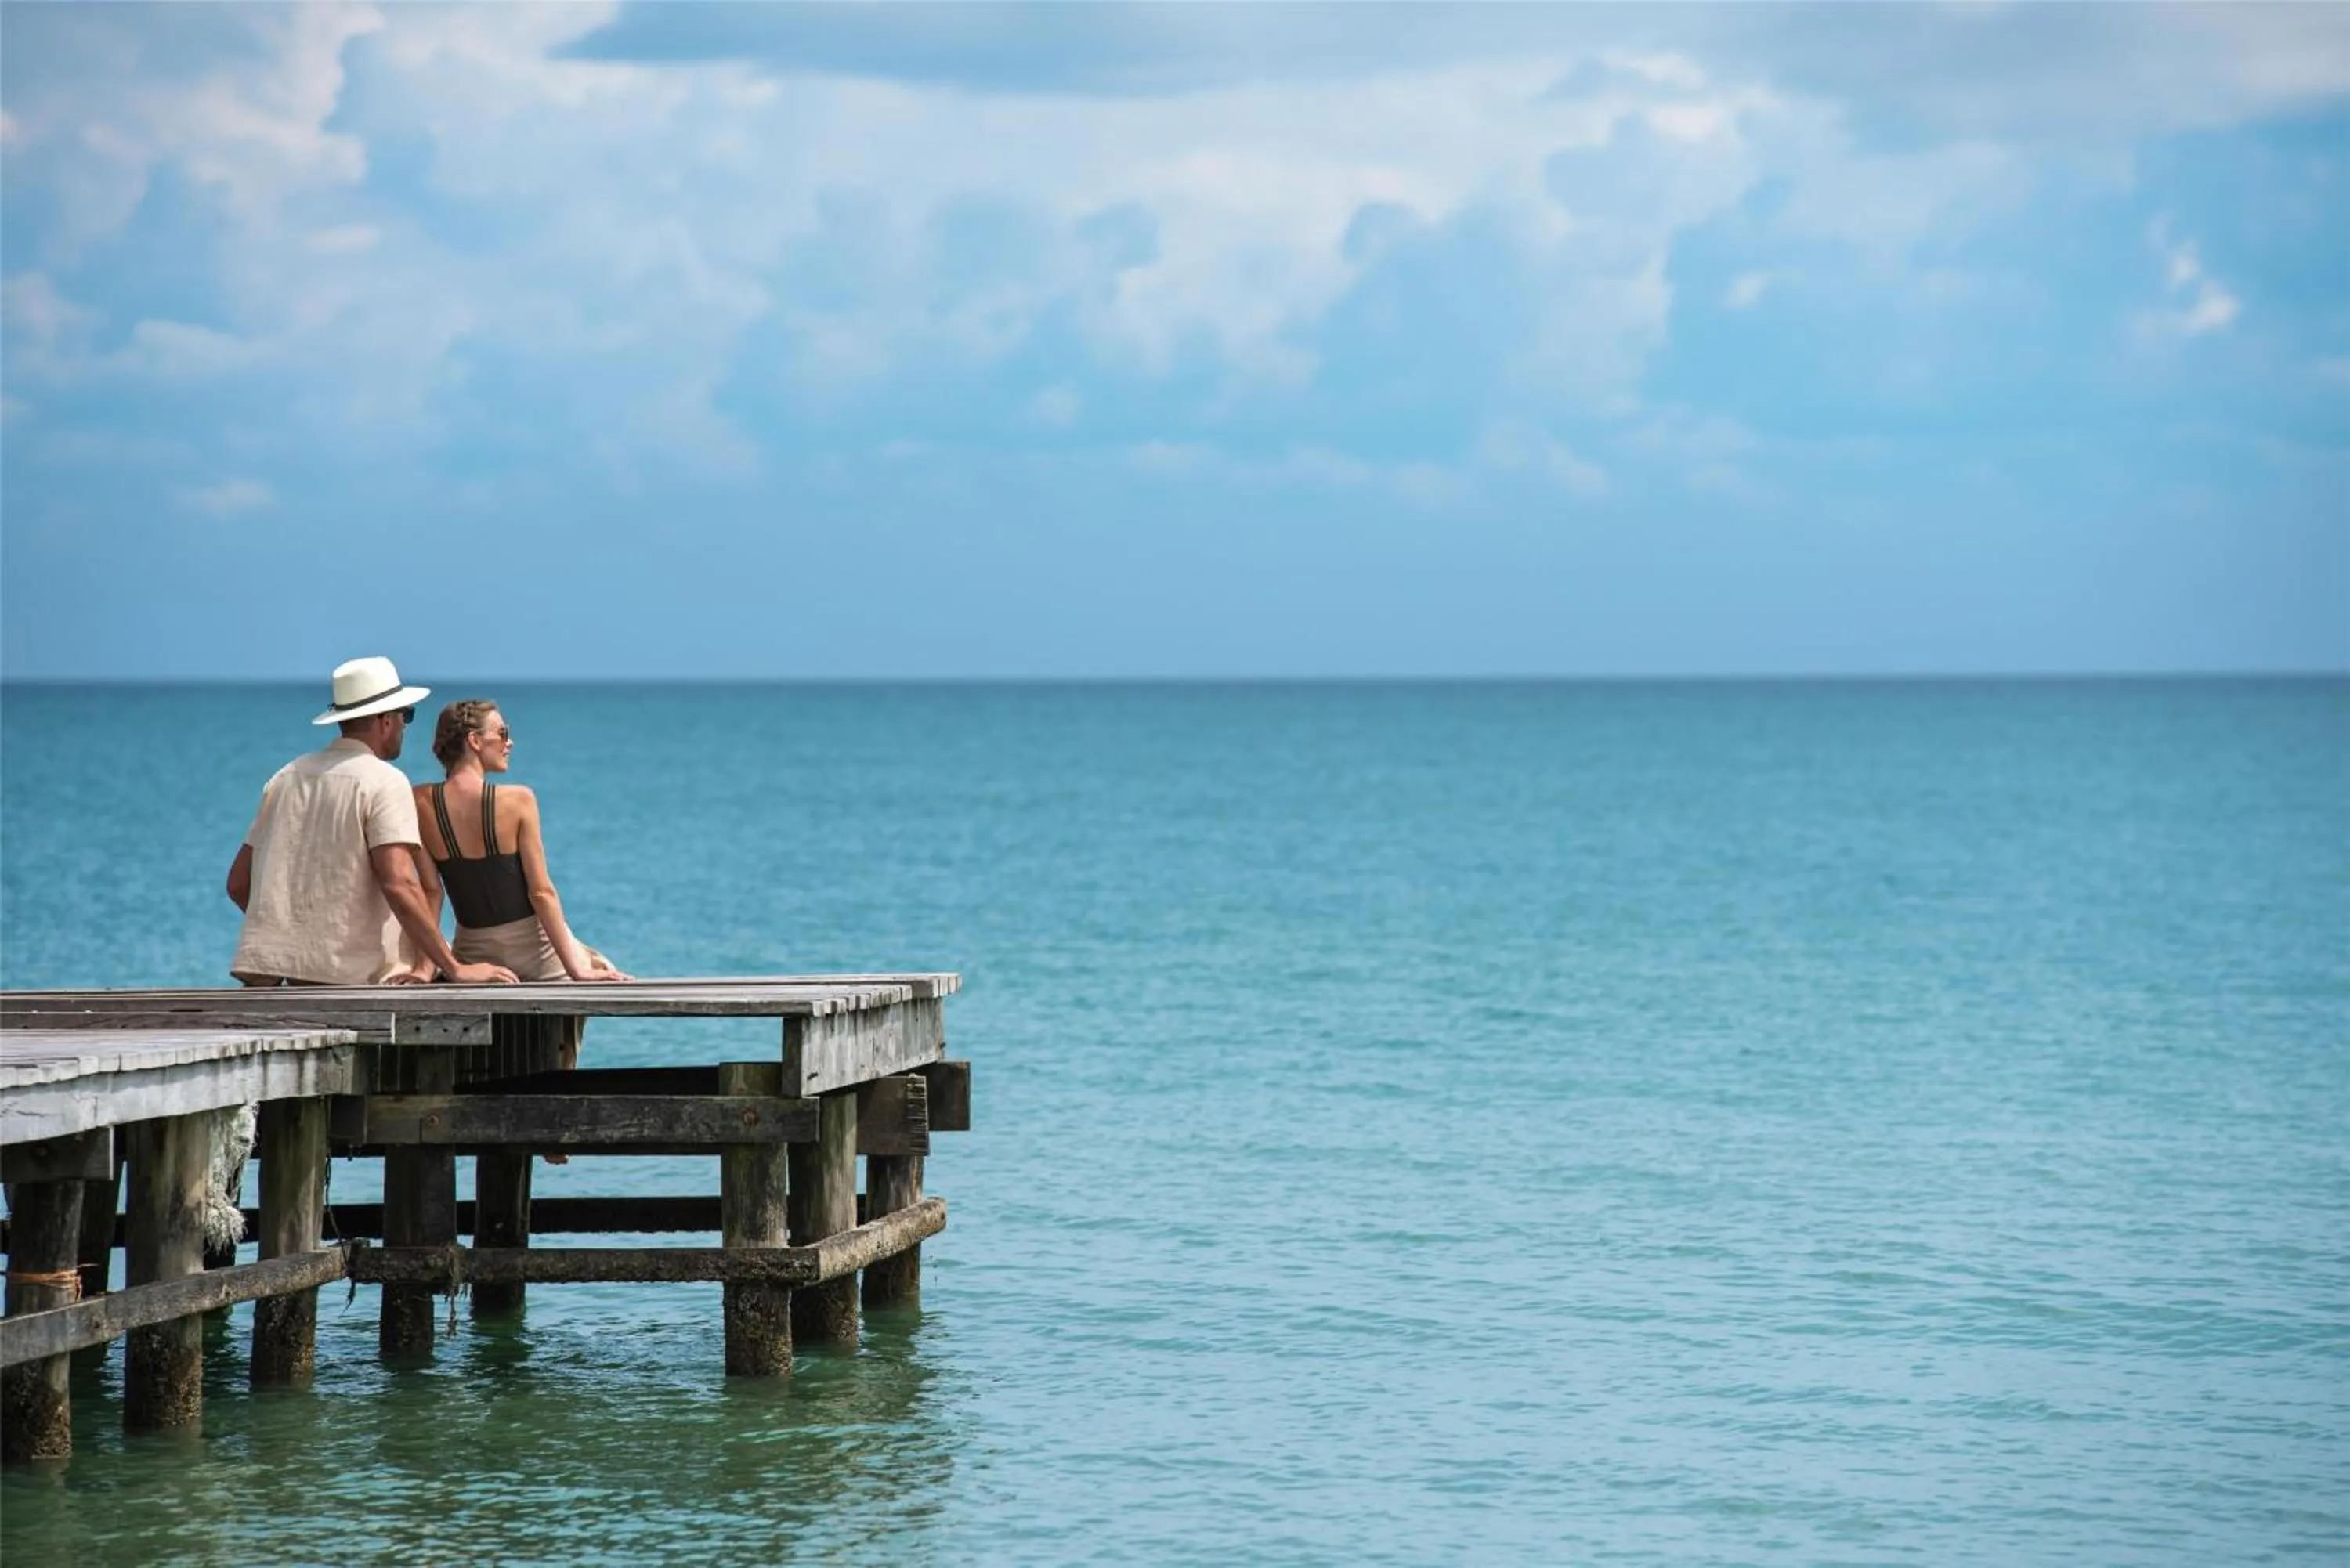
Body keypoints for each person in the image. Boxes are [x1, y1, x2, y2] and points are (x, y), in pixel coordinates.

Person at [228, 656, 515, 987]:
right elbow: (400, 884)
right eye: (405, 715)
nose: (406, 726)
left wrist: (297, 939)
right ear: (385, 720)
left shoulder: (286, 776)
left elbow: (238, 883)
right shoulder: (384, 781)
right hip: (361, 980)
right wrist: (455, 967)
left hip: (290, 977)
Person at [412, 698, 631, 983]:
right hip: (538, 959)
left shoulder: (419, 801)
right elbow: (541, 892)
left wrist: (423, 969)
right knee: (600, 964)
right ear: (475, 740)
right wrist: (577, 971)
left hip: (473, 956)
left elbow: (431, 893)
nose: (510, 742)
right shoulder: (518, 800)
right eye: (502, 733)